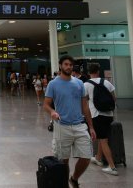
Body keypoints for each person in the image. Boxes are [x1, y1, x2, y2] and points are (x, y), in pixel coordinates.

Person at [43, 55, 96, 188]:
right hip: (62, 126)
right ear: (60, 66)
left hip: (79, 125)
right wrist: (52, 112)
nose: (68, 67)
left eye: (70, 65)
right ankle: (63, 183)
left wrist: (91, 127)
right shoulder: (53, 84)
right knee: (63, 161)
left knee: (86, 156)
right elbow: (46, 104)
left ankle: (74, 178)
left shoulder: (79, 84)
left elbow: (85, 107)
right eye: (66, 64)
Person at [84, 63, 118, 176]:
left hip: (96, 115)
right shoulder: (106, 82)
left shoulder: (86, 85)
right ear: (98, 71)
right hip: (109, 114)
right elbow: (114, 98)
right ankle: (98, 158)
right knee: (102, 136)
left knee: (103, 140)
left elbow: (84, 103)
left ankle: (112, 167)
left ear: (88, 72)